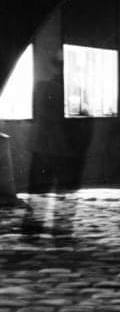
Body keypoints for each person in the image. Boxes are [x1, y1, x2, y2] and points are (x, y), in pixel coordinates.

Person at [22, 49, 74, 236]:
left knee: (37, 188)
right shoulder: (70, 91)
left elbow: (35, 116)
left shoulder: (42, 87)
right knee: (63, 189)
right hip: (63, 146)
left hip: (42, 143)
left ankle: (32, 227)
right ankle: (61, 228)